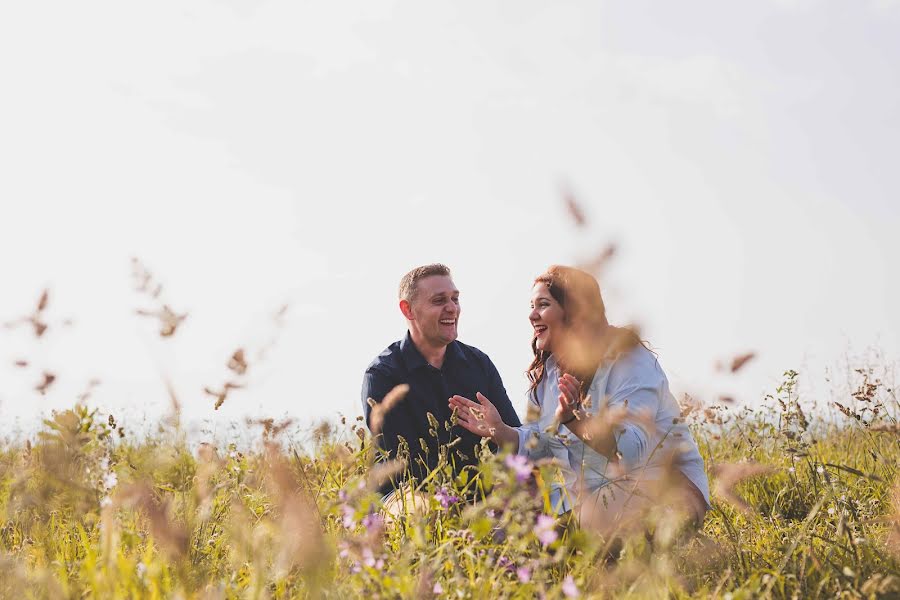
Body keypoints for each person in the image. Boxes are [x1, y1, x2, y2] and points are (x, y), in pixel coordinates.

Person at [449, 265, 710, 538]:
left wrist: (575, 420)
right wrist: (500, 430)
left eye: (543, 304)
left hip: (667, 492)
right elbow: (544, 444)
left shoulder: (628, 360)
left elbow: (631, 451)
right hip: (595, 502)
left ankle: (674, 544)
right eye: (531, 305)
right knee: (499, 532)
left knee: (568, 532)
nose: (532, 315)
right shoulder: (549, 373)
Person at [362, 263, 522, 512]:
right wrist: (462, 502)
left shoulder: (479, 364)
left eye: (455, 299)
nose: (452, 308)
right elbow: (405, 467)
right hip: (406, 496)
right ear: (408, 309)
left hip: (481, 493)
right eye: (439, 300)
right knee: (424, 510)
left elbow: (516, 439)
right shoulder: (383, 375)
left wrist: (497, 432)